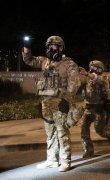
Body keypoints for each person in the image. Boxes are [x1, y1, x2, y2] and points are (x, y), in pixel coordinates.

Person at [22, 35, 81, 172]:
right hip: (46, 102)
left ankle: (65, 160)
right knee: (50, 132)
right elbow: (29, 60)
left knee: (62, 131)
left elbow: (74, 83)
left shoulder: (69, 63)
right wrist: (26, 47)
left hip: (60, 102)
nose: (51, 49)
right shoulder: (44, 61)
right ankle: (52, 159)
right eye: (49, 46)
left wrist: (67, 99)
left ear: (61, 48)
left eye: (54, 46)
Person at [79, 60, 110, 158]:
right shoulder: (88, 79)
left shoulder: (104, 78)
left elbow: (98, 79)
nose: (93, 69)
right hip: (88, 108)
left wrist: (87, 74)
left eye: (95, 68)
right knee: (84, 130)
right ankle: (89, 150)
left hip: (99, 109)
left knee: (100, 131)